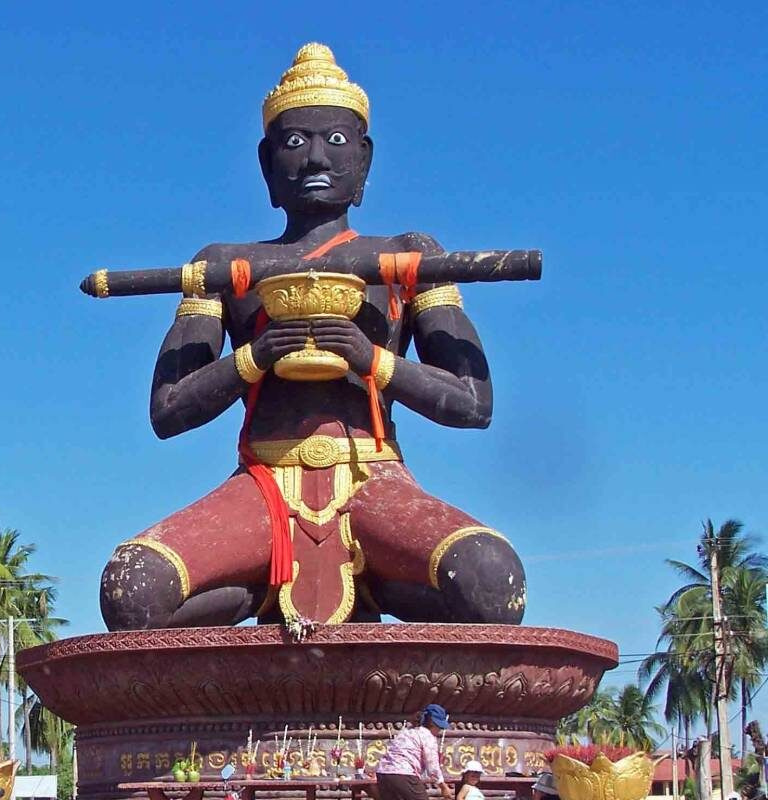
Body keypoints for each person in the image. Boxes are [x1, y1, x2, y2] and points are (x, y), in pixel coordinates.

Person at [99, 42, 526, 631]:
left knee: (490, 578)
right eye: (294, 143)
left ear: (366, 160)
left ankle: (376, 587)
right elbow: (168, 410)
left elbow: (474, 404)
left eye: (337, 141)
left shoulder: (409, 257)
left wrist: (371, 359)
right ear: (266, 164)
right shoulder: (223, 265)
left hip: (374, 480)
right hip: (262, 487)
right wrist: (254, 357)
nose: (315, 159)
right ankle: (255, 593)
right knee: (132, 587)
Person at [376, 704, 454, 800]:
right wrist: (443, 786)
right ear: (432, 723)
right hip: (403, 773)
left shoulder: (406, 731)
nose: (439, 731)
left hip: (383, 773)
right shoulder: (427, 736)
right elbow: (432, 766)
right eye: (439, 727)